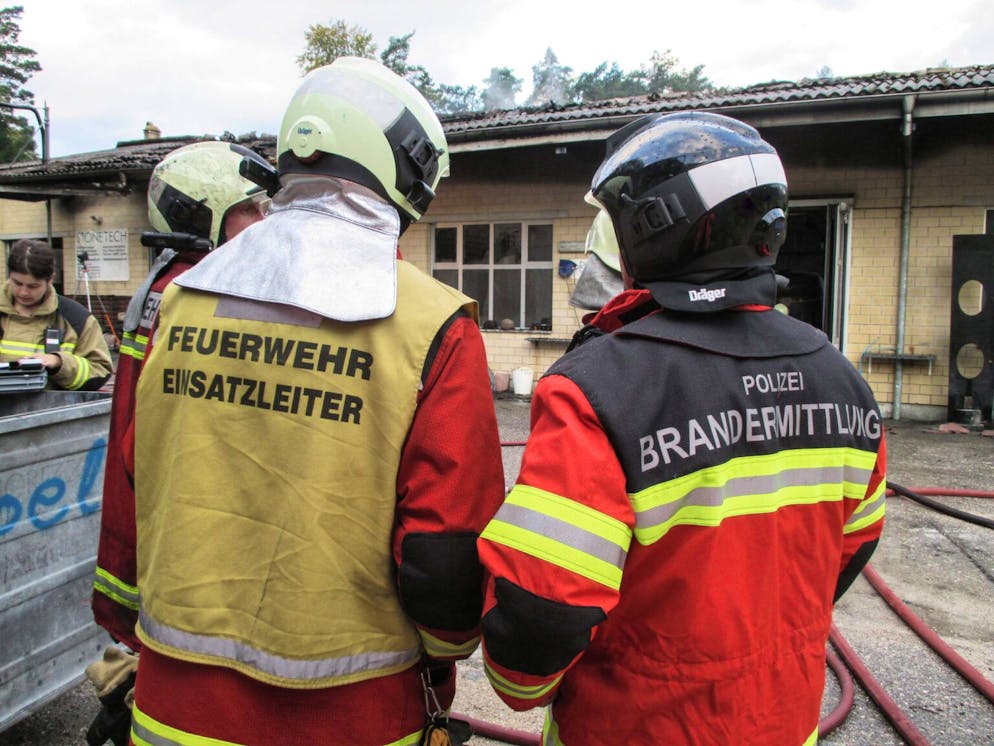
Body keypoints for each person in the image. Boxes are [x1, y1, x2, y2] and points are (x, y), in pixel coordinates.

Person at [126, 57, 504, 745]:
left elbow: (138, 470)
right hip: (353, 710)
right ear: (407, 173)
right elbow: (445, 546)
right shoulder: (433, 322)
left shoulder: (181, 298)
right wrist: (447, 648)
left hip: (172, 702)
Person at [477, 112, 886, 745]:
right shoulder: (843, 379)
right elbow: (854, 544)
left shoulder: (599, 389)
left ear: (654, 230)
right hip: (785, 724)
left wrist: (522, 686)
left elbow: (543, 609)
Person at [85, 142, 272, 746]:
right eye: (251, 208)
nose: (265, 220)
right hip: (176, 522)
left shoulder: (166, 284)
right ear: (205, 214)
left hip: (147, 522)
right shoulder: (197, 294)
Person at [1, 239, 112, 390]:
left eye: (33, 286)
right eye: (17, 283)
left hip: (51, 405)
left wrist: (59, 363)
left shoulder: (76, 319)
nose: (23, 292)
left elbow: (100, 370)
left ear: (50, 279)